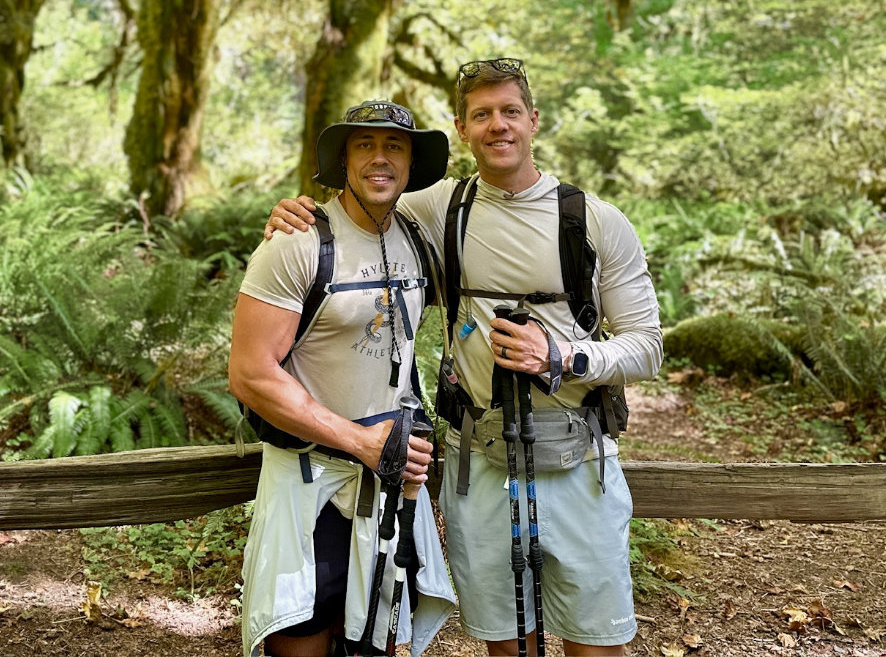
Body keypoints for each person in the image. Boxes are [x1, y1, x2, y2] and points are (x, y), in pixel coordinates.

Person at [266, 59, 662, 656]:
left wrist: (565, 355)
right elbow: (360, 206)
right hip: (482, 463)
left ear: (533, 120)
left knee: (594, 643)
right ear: (462, 127)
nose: (497, 126)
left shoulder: (596, 222)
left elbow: (647, 345)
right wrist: (294, 213)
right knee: (505, 644)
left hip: (581, 462)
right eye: (482, 115)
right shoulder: (439, 209)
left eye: (509, 112)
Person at [230, 100, 457, 657]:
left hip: (389, 483)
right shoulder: (298, 242)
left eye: (394, 146)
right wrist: (360, 441)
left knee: (376, 644)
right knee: (301, 641)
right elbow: (250, 374)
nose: (380, 159)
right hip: (310, 484)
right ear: (343, 158)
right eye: (365, 145)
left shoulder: (421, 235)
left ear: (410, 163)